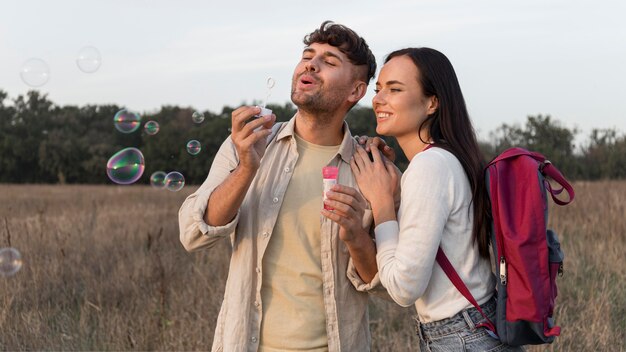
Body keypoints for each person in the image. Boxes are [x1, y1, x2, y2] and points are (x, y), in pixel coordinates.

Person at [179, 21, 381, 352]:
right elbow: (192, 234)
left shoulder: (370, 168)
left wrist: (356, 235)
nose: (311, 64)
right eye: (307, 56)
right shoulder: (246, 144)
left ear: (356, 92)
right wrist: (247, 168)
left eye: (329, 62)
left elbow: (383, 284)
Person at [325, 48, 524, 351]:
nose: (379, 99)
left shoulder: (430, 166)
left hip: (462, 337)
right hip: (473, 327)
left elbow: (404, 289)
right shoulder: (447, 158)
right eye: (378, 88)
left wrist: (381, 204)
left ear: (432, 102)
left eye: (395, 89)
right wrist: (394, 193)